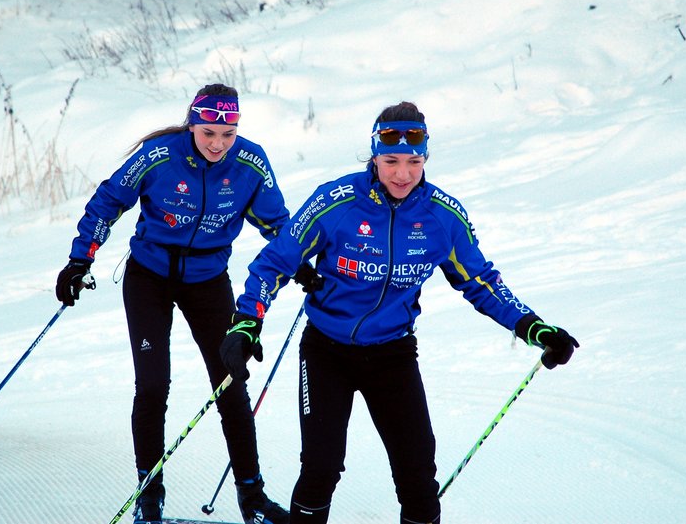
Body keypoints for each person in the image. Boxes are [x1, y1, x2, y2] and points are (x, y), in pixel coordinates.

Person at [219, 101, 578, 524]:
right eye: (391, 161)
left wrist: (532, 327)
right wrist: (247, 322)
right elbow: (275, 262)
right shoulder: (335, 202)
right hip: (326, 353)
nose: (403, 173)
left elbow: (480, 281)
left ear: (425, 158)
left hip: (392, 354)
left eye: (414, 161)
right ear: (374, 156)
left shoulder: (441, 217)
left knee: (417, 475)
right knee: (321, 467)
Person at [55, 84, 291, 524]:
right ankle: (149, 496)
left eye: (228, 134)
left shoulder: (251, 162)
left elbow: (279, 224)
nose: (219, 144)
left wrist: (308, 268)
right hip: (150, 278)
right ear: (193, 124)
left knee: (230, 382)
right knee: (152, 385)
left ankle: (252, 497)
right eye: (209, 133)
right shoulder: (159, 154)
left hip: (207, 280)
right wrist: (78, 259)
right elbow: (109, 201)